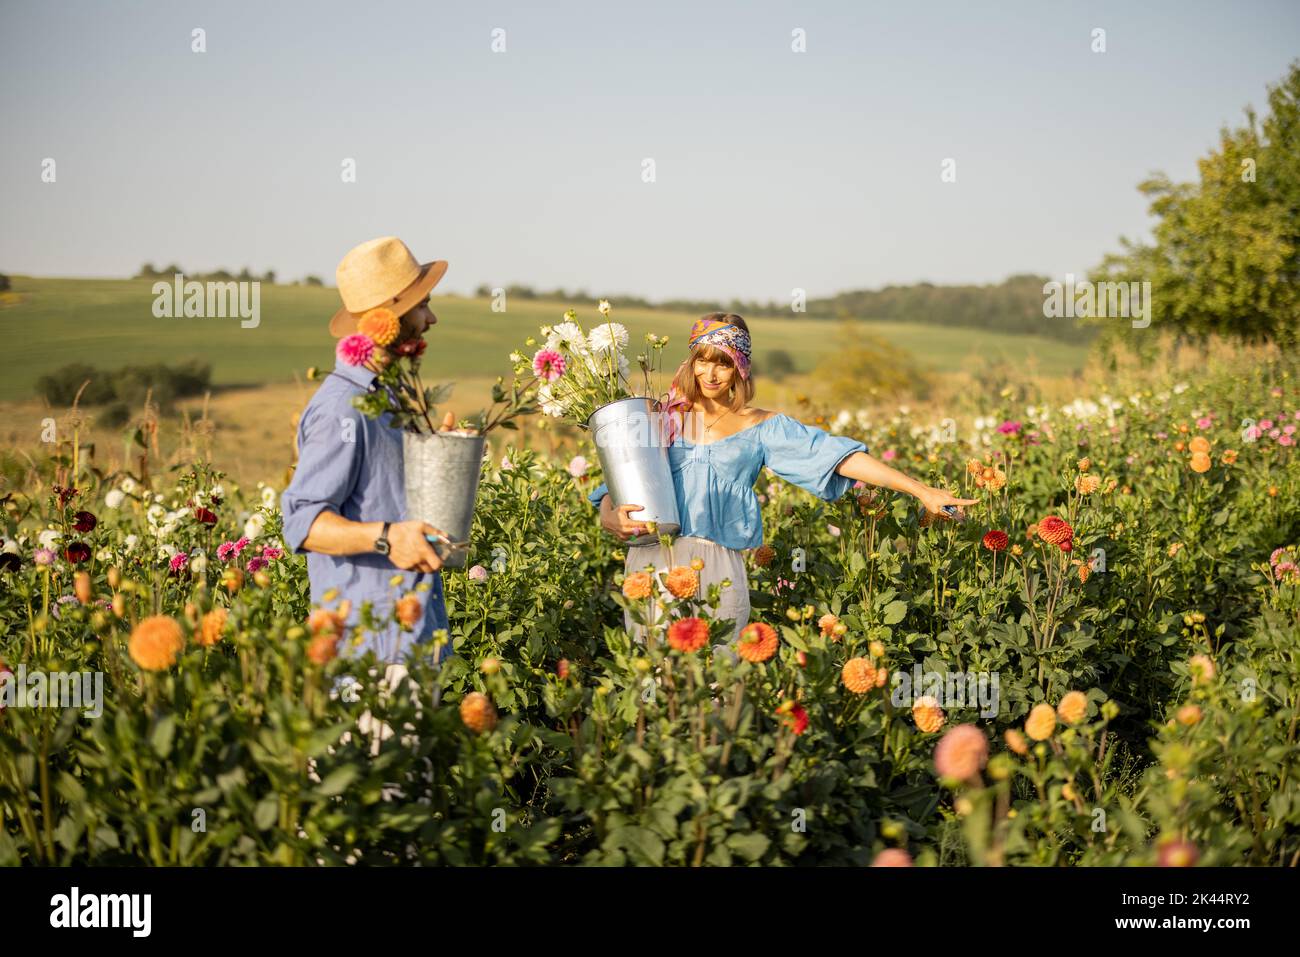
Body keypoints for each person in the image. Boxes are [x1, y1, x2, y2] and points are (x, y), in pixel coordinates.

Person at [587, 312, 977, 647]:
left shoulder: (762, 427)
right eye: (702, 361)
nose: (710, 372)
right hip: (653, 560)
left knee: (716, 683)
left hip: (716, 565)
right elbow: (614, 486)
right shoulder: (660, 417)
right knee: (655, 680)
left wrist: (920, 491)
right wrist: (608, 514)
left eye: (722, 362)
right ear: (690, 363)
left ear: (740, 367)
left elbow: (838, 458)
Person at [281, 236, 467, 666]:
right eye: (423, 305)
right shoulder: (341, 408)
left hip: (415, 639)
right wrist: (386, 538)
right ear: (391, 318)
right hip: (368, 654)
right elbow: (303, 523)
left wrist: (437, 456)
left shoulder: (390, 398)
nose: (432, 318)